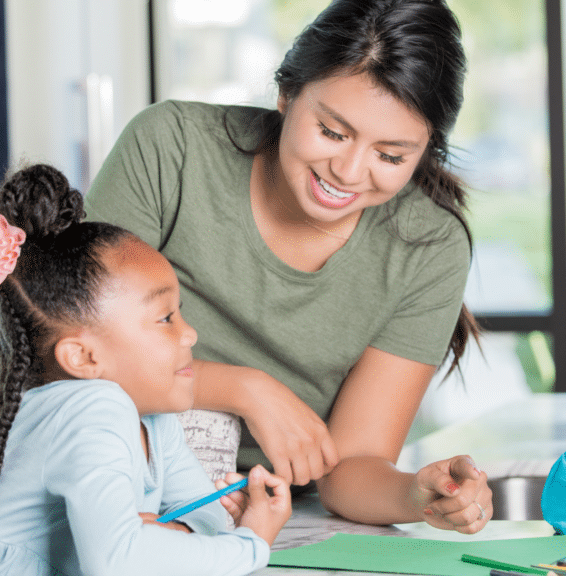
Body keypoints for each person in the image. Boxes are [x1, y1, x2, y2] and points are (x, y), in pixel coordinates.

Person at [86, 0, 491, 533]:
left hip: (264, 518)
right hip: (111, 485)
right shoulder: (171, 149)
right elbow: (74, 350)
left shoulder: (429, 245)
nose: (347, 172)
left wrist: (418, 495)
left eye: (390, 156)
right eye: (332, 131)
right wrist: (247, 390)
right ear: (285, 93)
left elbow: (348, 471)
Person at [0, 164, 291, 576]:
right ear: (83, 359)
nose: (190, 334)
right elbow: (118, 562)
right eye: (166, 318)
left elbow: (210, 519)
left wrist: (172, 533)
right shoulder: (92, 408)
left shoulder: (155, 423)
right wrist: (250, 544)